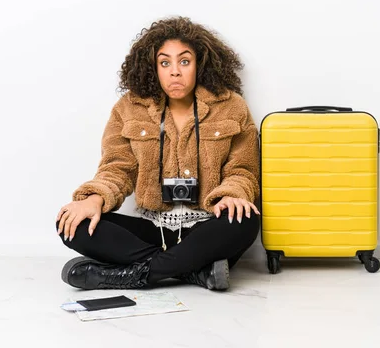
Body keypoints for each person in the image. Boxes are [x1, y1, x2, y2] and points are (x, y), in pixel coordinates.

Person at [56, 17, 261, 291]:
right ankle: (194, 272)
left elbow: (243, 170)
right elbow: (117, 168)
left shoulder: (231, 106)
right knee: (72, 223)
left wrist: (232, 196)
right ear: (153, 67)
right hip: (154, 231)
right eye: (165, 63)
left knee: (245, 220)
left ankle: (127, 275)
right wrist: (94, 199)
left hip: (206, 228)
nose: (175, 71)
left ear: (200, 64)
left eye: (184, 61)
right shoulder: (129, 108)